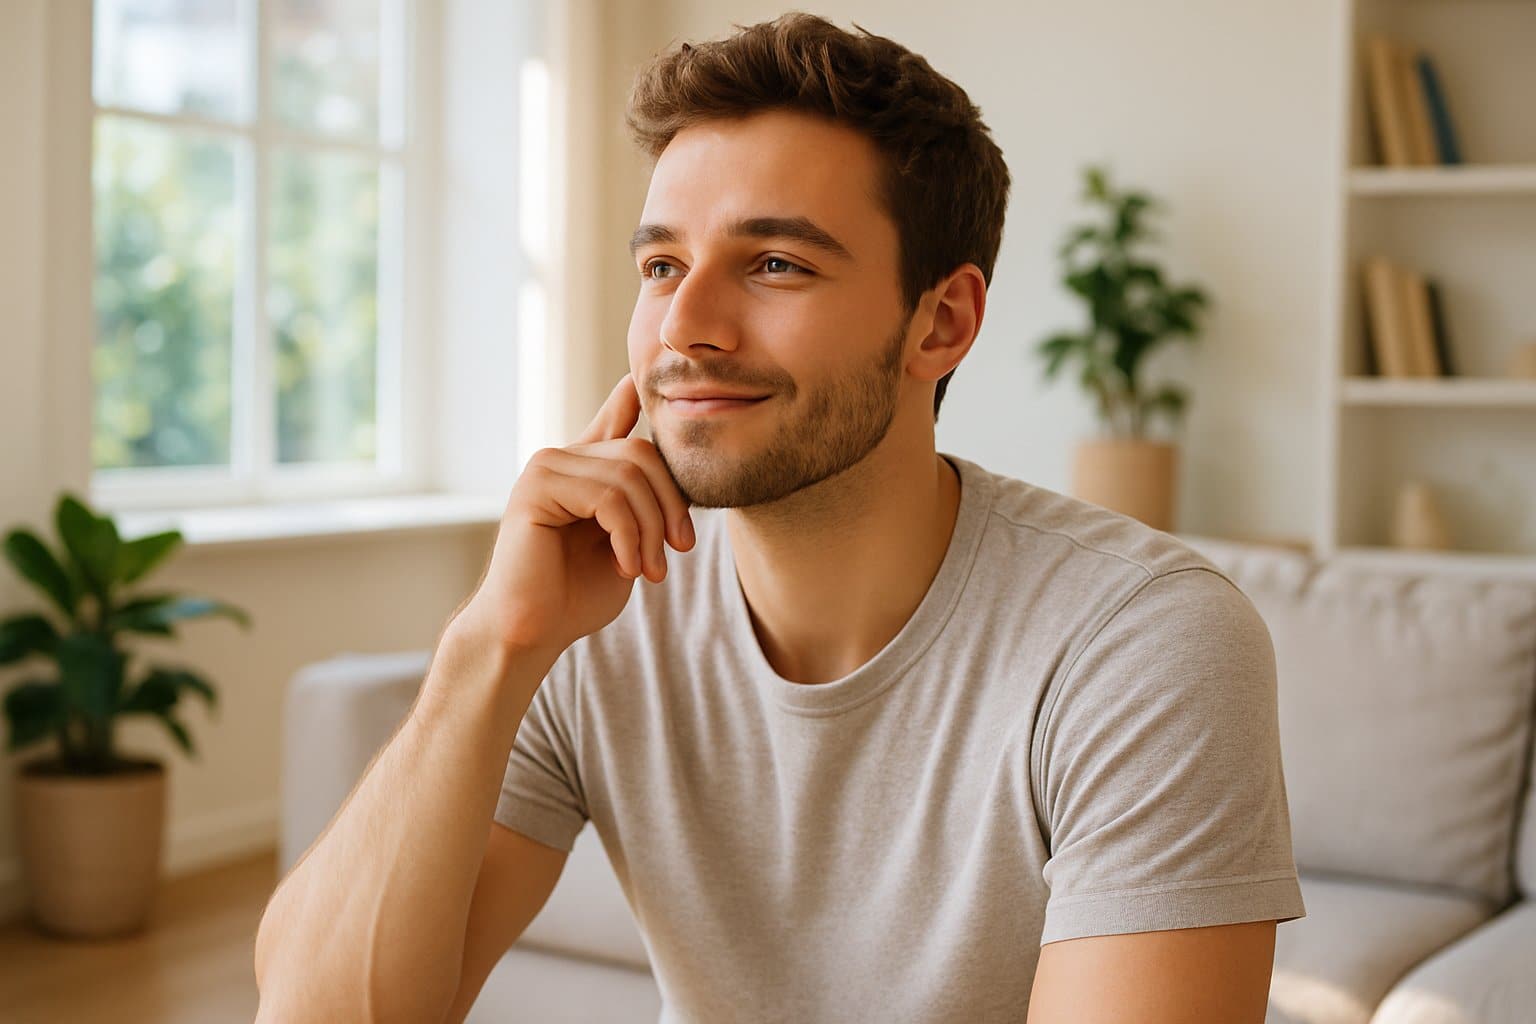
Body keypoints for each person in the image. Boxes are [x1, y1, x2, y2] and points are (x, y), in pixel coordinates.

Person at [255, 13, 1305, 1023]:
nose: (685, 328)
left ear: (941, 322)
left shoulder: (1142, 641)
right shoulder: (593, 615)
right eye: (662, 265)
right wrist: (494, 643)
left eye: (775, 265)